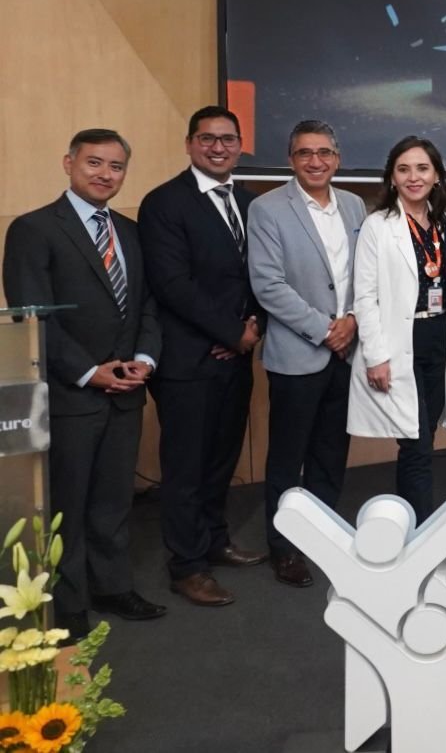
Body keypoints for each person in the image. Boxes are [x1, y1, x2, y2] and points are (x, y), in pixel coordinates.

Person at [2, 129, 165, 636]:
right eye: (94, 163)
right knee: (68, 503)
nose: (105, 174)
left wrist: (144, 360)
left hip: (127, 390)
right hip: (72, 392)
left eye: (116, 166)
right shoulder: (34, 228)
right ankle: (69, 601)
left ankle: (112, 585)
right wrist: (89, 371)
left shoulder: (130, 232)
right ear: (68, 163)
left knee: (114, 499)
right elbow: (32, 313)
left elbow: (147, 305)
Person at [138, 106, 267, 608]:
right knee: (186, 467)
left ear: (240, 145)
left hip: (237, 356)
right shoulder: (163, 203)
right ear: (190, 144)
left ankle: (215, 541)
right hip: (186, 362)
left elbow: (264, 274)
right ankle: (187, 565)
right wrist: (231, 332)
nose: (218, 147)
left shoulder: (251, 202)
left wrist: (251, 328)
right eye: (207, 138)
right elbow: (172, 284)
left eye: (228, 139)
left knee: (221, 459)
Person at [247, 120, 366, 588]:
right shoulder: (267, 208)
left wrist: (352, 320)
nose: (315, 161)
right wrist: (324, 330)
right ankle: (285, 546)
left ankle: (324, 535)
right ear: (290, 159)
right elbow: (268, 285)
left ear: (337, 158)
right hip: (299, 353)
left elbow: (365, 274)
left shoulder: (354, 205)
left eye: (324, 153)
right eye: (304, 153)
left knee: (331, 453)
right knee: (287, 457)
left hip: (347, 352)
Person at [347, 136, 446, 523]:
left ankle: (411, 523)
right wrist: (376, 356)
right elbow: (365, 297)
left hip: (438, 341)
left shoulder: (445, 223)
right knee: (416, 445)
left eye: (423, 168)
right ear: (392, 178)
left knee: (424, 436)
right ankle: (418, 531)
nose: (414, 177)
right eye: (404, 169)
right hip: (400, 346)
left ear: (437, 175)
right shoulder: (378, 226)